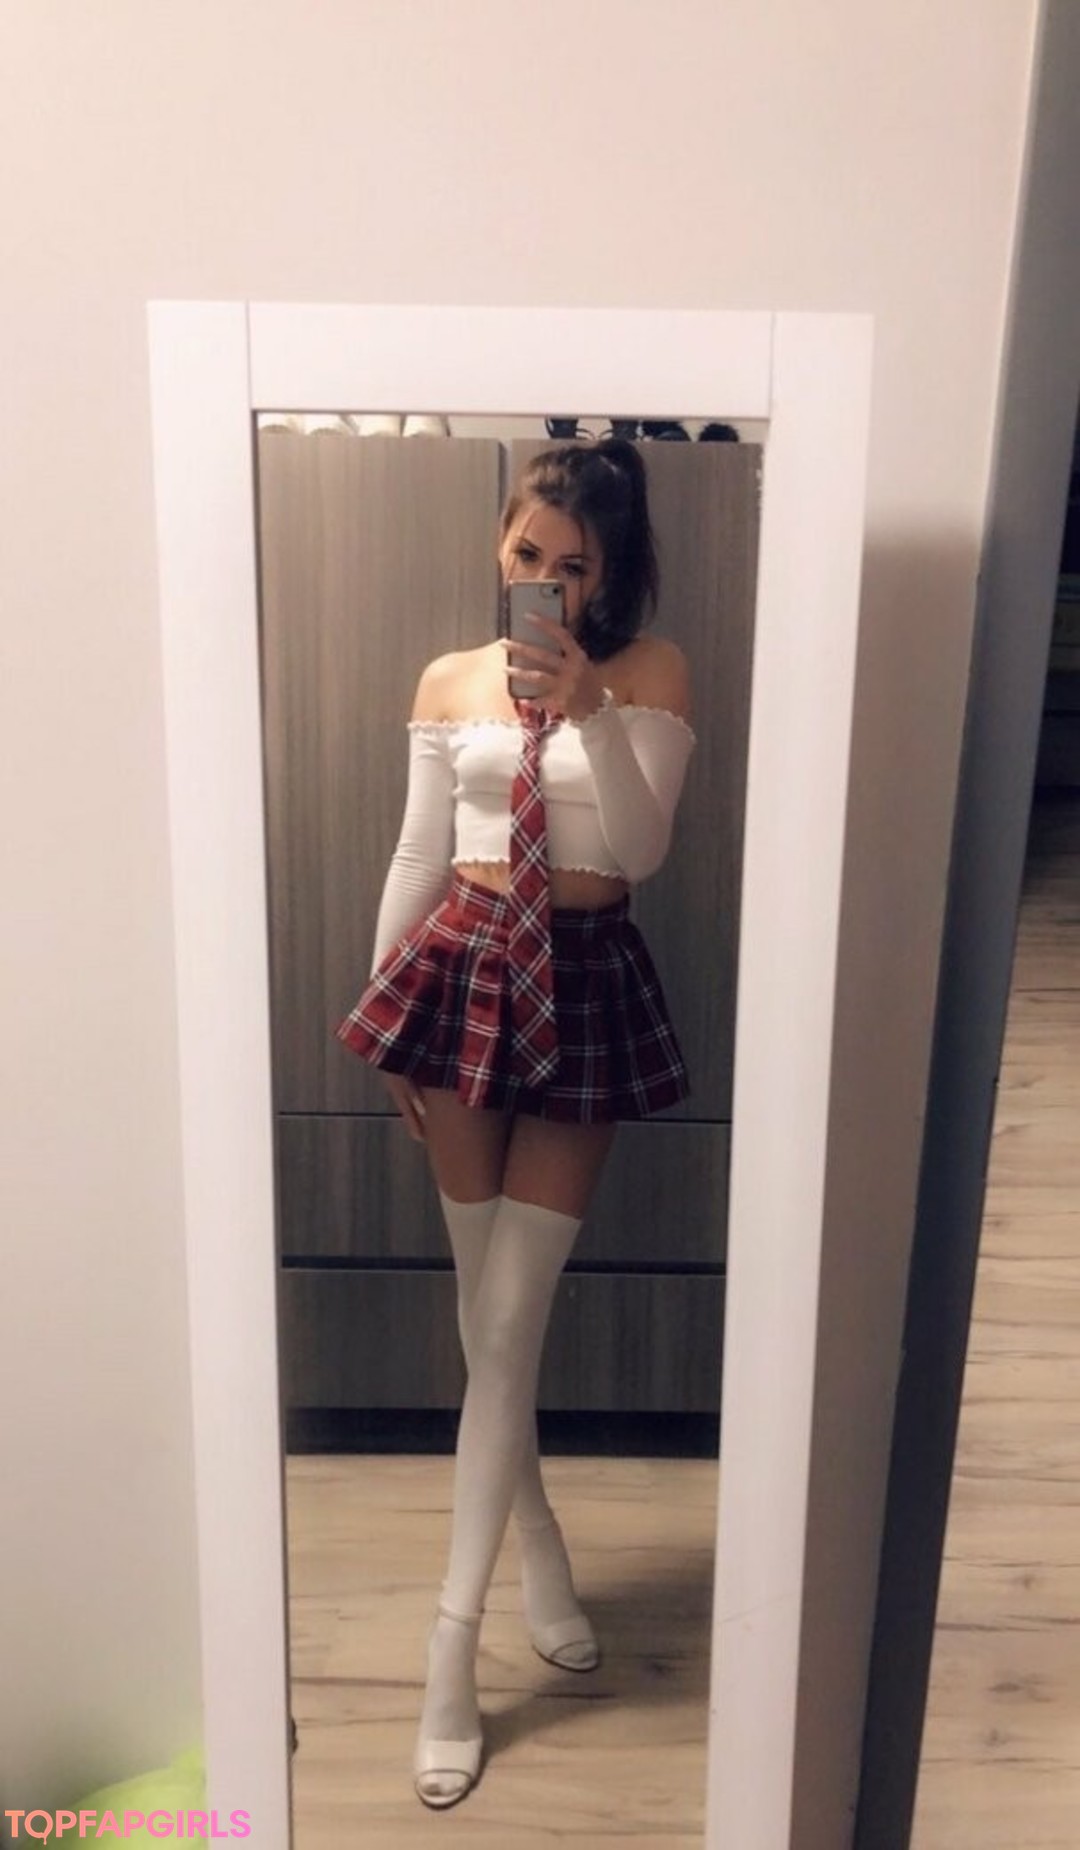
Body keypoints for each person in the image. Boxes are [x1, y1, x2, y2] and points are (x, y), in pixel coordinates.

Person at [335, 437, 697, 1808]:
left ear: (612, 570)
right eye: (528, 553)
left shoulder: (650, 672)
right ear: (503, 541)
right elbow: (418, 850)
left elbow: (644, 848)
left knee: (506, 1321)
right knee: (485, 1314)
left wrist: (591, 706)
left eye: (574, 565)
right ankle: (538, 1547)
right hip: (463, 970)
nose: (544, 578)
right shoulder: (447, 680)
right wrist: (385, 1013)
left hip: (588, 976)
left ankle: (453, 1645)